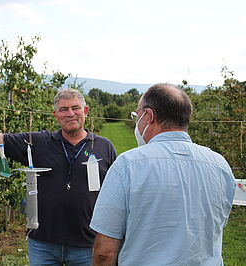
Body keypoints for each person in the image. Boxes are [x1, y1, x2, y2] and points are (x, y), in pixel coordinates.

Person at [0, 88, 117, 265]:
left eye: (75, 108)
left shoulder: (104, 147)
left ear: (86, 110)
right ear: (56, 115)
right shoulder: (40, 142)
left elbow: (115, 195)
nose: (70, 113)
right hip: (44, 243)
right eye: (64, 109)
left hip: (87, 243)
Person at [90, 83, 236, 265]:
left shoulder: (128, 165)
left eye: (137, 115)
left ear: (149, 116)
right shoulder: (220, 165)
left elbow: (104, 251)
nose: (137, 122)